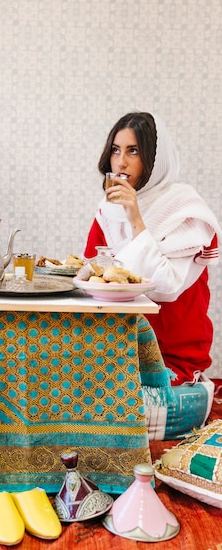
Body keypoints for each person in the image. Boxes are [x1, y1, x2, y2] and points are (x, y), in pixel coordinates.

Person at [83, 111, 222, 385]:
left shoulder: (185, 209)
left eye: (133, 151)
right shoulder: (108, 211)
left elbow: (166, 288)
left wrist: (136, 218)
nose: (121, 162)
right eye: (115, 150)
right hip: (116, 346)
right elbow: (91, 272)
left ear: (155, 158)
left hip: (170, 354)